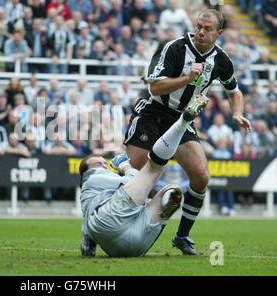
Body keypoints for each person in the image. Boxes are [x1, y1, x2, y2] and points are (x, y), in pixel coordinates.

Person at [124, 9, 252, 255]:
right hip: (153, 112)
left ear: (219, 33)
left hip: (181, 119)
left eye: (207, 29)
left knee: (201, 176)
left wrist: (237, 113)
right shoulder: (174, 47)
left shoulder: (222, 60)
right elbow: (155, 88)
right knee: (132, 172)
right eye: (199, 26)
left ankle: (182, 235)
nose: (201, 32)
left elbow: (234, 90)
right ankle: (96, 230)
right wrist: (186, 78)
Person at [80, 95, 209, 257]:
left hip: (131, 245)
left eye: (103, 162)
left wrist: (87, 242)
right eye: (98, 163)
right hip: (110, 222)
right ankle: (182, 122)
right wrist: (125, 166)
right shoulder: (93, 178)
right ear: (87, 172)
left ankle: (151, 216)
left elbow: (87, 221)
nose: (104, 164)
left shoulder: (89, 197)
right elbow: (132, 180)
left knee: (173, 192)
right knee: (152, 169)